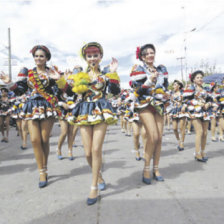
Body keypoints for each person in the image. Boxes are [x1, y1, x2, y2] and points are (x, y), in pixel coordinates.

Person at [0, 45, 71, 188]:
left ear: (46, 58)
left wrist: (59, 80)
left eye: (41, 56)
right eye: (36, 56)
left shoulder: (52, 73)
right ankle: (41, 172)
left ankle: (45, 167)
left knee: (44, 139)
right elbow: (20, 91)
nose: (38, 58)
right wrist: (9, 82)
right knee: (34, 139)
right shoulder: (28, 73)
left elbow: (62, 91)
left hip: (46, 106)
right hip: (32, 106)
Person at [66, 42, 120, 205]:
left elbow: (115, 92)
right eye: (89, 56)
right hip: (83, 111)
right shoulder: (80, 74)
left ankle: (94, 186)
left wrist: (113, 74)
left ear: (100, 57)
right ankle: (99, 176)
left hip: (101, 110)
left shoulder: (106, 74)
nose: (92, 58)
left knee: (96, 149)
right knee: (88, 153)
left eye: (95, 55)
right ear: (86, 58)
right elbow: (70, 94)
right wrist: (66, 82)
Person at [130, 44, 169, 184]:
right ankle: (146, 168)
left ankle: (156, 168)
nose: (150, 55)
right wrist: (148, 80)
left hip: (159, 104)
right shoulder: (138, 69)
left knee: (159, 138)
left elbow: (166, 86)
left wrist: (166, 94)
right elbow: (137, 90)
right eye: (146, 54)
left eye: (152, 52)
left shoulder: (161, 69)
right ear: (142, 57)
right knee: (152, 136)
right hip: (144, 104)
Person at [183, 70, 212, 162]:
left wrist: (208, 104)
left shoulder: (206, 89)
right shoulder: (190, 88)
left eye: (201, 77)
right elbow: (185, 100)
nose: (200, 79)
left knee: (205, 133)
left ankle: (203, 152)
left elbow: (211, 99)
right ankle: (197, 153)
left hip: (205, 112)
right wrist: (196, 102)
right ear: (194, 80)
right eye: (198, 78)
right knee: (199, 132)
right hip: (195, 112)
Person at [170, 80, 188, 151]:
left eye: (174, 85)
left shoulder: (183, 93)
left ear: (179, 86)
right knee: (174, 128)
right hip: (174, 111)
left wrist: (184, 106)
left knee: (181, 128)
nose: (173, 86)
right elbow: (170, 103)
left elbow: (187, 100)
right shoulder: (172, 94)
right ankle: (178, 140)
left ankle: (182, 143)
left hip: (181, 110)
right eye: (173, 85)